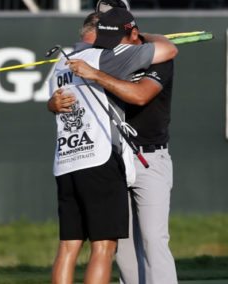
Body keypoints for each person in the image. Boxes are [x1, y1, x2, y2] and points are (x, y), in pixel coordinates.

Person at [49, 3, 178, 284]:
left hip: (145, 157)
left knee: (151, 240)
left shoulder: (70, 61)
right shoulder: (98, 57)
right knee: (118, 248)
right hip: (108, 157)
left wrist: (95, 75)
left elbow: (143, 94)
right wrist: (53, 103)